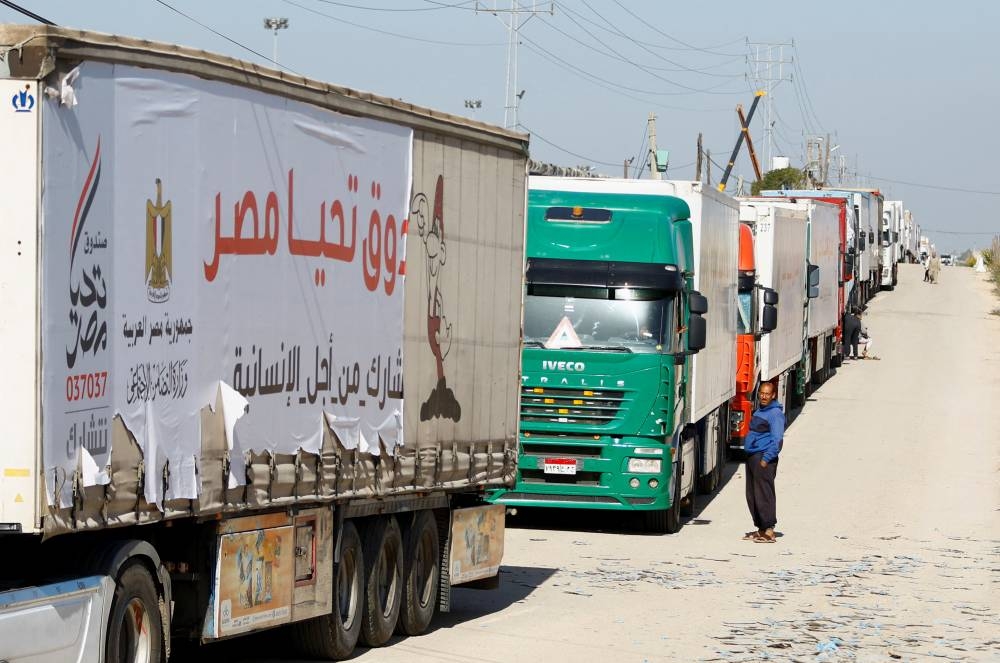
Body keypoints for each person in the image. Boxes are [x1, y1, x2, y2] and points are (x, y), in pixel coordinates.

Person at [742, 381, 785, 543]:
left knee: (764, 493)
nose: (764, 396)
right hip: (753, 456)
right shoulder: (761, 410)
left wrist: (766, 459)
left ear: (773, 395)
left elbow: (777, 439)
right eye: (761, 393)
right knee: (752, 494)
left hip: (763, 458)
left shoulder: (775, 414)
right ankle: (760, 528)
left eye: (767, 394)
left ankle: (769, 530)